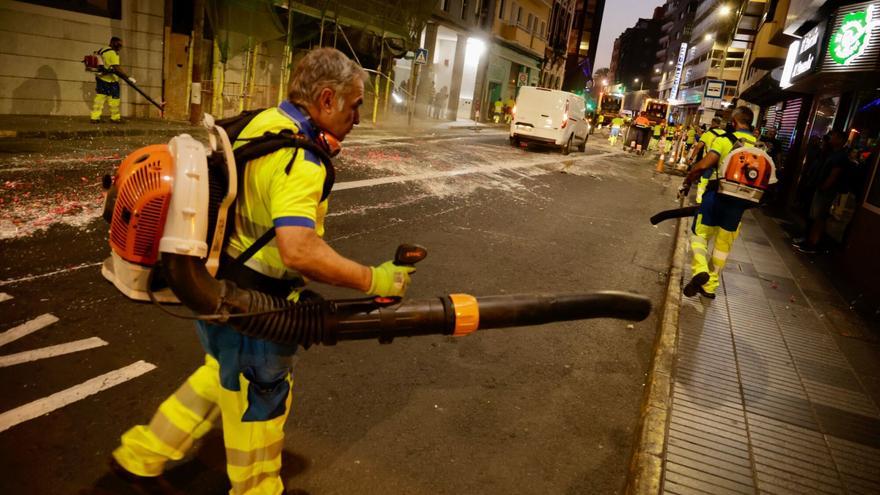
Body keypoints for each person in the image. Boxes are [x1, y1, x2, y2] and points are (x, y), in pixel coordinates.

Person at [108, 48, 416, 495]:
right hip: (257, 309)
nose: (359, 117)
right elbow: (299, 249)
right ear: (326, 99)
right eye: (354, 106)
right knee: (259, 405)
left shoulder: (260, 123)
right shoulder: (300, 159)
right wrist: (375, 279)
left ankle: (141, 455)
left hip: (214, 288)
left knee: (219, 376)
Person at [679, 106, 770, 299]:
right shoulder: (760, 147)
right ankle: (710, 287)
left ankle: (700, 270)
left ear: (734, 122)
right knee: (722, 247)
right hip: (739, 206)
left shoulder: (724, 140)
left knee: (699, 236)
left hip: (716, 198)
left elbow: (703, 165)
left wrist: (688, 180)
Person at [794, 129, 850, 254]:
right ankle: (810, 242)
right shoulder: (833, 153)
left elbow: (834, 174)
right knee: (816, 217)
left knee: (819, 218)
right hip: (822, 189)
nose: (831, 138)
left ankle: (813, 244)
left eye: (834, 136)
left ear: (840, 140)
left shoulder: (840, 156)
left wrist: (824, 186)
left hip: (827, 191)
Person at [91, 37, 133, 123]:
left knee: (100, 98)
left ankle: (95, 117)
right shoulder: (113, 53)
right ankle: (115, 117)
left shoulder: (103, 50)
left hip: (101, 78)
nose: (120, 47)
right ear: (114, 43)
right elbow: (116, 67)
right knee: (114, 99)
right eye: (119, 44)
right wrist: (127, 77)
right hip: (111, 80)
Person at [688, 117, 725, 204]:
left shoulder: (707, 134)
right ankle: (711, 201)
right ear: (719, 124)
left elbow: (698, 147)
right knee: (715, 183)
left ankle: (699, 200)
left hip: (708, 161)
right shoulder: (725, 134)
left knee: (704, 181)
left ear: (712, 123)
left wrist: (691, 158)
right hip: (719, 163)